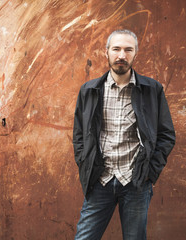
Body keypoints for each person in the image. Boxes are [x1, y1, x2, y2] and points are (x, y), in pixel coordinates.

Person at [72, 29, 176, 240]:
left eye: (128, 50)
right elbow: (79, 135)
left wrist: (150, 172)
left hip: (136, 182)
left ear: (135, 53)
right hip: (100, 180)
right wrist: (85, 163)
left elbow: (166, 135)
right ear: (106, 52)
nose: (121, 55)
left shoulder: (151, 89)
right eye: (116, 49)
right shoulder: (89, 90)